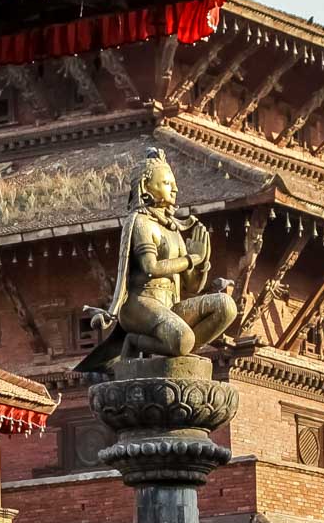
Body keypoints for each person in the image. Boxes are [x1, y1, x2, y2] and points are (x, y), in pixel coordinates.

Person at [78, 148, 238, 372]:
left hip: (169, 304)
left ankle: (178, 353)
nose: (175, 188)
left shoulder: (173, 229)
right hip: (141, 304)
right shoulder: (141, 223)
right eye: (166, 183)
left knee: (226, 307)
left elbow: (193, 285)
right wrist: (191, 258)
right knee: (182, 338)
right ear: (146, 187)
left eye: (173, 183)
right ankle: (135, 341)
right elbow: (150, 267)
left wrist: (203, 262)